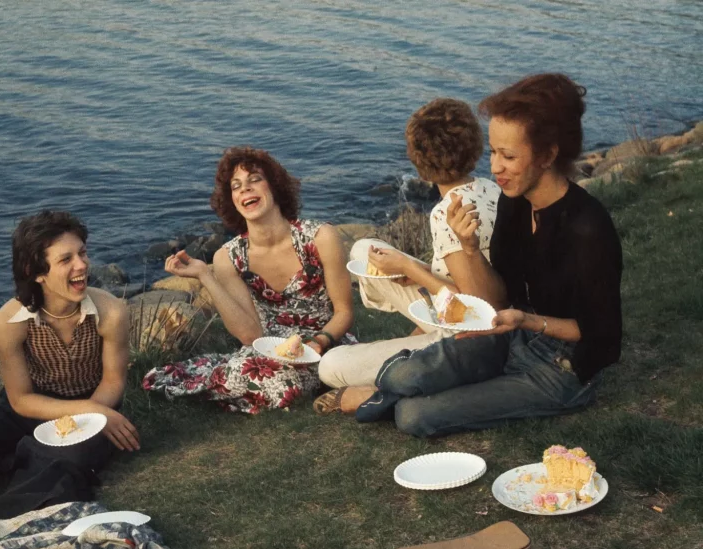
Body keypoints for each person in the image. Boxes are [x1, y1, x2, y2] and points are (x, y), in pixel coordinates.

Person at [354, 73, 622, 437]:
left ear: (547, 155)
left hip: (565, 367)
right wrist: (469, 249)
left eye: (508, 156)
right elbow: (496, 297)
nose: (494, 167)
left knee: (414, 417)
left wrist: (527, 322)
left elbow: (602, 337)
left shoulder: (588, 227)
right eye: (493, 152)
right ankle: (398, 385)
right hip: (511, 336)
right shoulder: (511, 204)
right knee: (404, 373)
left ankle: (395, 395)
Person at [0, 210, 138, 518]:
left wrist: (94, 414)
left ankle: (10, 509)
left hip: (93, 404)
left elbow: (113, 382)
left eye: (83, 253)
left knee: (66, 459)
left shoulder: (110, 312)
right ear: (36, 271)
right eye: (66, 259)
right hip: (31, 408)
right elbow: (21, 399)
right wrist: (94, 413)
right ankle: (15, 455)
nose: (82, 265)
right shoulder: (11, 319)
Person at [315, 98, 501, 414]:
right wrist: (414, 270)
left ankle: (389, 383)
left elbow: (470, 309)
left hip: (466, 332)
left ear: (419, 161)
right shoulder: (489, 188)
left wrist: (408, 267)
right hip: (474, 308)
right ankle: (411, 344)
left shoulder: (446, 213)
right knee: (365, 250)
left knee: (330, 366)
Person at [142, 146, 354, 413]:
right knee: (249, 371)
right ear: (231, 199)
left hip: (327, 343)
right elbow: (249, 334)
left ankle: (227, 389)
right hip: (267, 351)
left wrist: (318, 342)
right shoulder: (227, 257)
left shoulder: (321, 237)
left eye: (255, 180)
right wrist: (205, 276)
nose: (245, 189)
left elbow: (345, 311)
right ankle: (232, 383)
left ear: (275, 187)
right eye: (236, 186)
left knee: (273, 382)